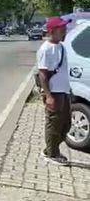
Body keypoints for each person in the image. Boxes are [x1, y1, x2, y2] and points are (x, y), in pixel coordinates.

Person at [37, 17, 72, 166]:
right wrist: (48, 95)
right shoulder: (46, 49)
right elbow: (43, 75)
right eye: (62, 29)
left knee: (66, 124)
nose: (65, 31)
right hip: (54, 93)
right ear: (52, 31)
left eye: (65, 28)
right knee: (54, 124)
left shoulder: (61, 47)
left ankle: (51, 149)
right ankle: (51, 154)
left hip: (63, 91)